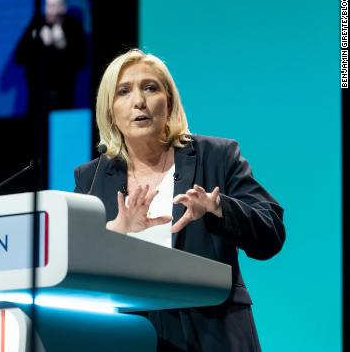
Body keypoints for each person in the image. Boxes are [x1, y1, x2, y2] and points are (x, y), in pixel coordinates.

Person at [73, 49, 285, 351]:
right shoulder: (91, 178)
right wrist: (114, 233)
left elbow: (271, 233)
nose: (139, 102)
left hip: (212, 333)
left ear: (168, 101)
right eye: (123, 91)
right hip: (129, 334)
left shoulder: (216, 156)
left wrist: (219, 208)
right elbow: (77, 268)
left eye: (150, 87)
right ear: (109, 110)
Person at [14, 0, 87, 113]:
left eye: (53, 6)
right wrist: (35, 39)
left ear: (63, 8)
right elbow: (19, 57)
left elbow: (81, 62)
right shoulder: (37, 23)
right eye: (47, 5)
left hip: (64, 100)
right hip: (36, 100)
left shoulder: (73, 26)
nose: (49, 10)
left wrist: (62, 45)